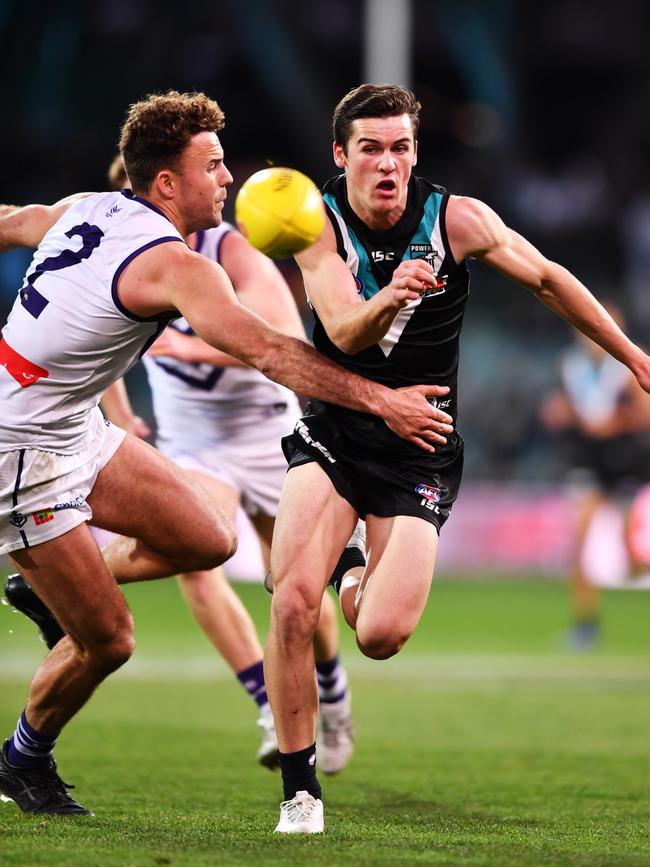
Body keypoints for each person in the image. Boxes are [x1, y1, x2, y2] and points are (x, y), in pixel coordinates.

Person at [0, 89, 454, 816]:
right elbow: (273, 351)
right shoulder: (175, 265)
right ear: (167, 183)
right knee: (112, 639)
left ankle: (45, 589)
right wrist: (381, 400)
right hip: (19, 454)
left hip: (71, 425)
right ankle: (23, 758)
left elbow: (13, 221)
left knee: (209, 537)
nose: (227, 179)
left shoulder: (89, 206)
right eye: (211, 165)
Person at [262, 83, 650, 833]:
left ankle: (352, 572)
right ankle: (300, 791)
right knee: (288, 600)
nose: (387, 163)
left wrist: (632, 354)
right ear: (340, 156)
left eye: (400, 146)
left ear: (416, 152)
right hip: (336, 436)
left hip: (421, 451)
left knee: (380, 635)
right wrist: (393, 294)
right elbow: (342, 330)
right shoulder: (316, 221)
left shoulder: (457, 219)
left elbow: (547, 279)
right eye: (369, 148)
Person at [6, 153, 361, 773]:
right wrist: (123, 411)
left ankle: (331, 690)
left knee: (297, 588)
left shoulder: (225, 253)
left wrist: (187, 338)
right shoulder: (126, 248)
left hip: (268, 432)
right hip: (188, 441)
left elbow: (277, 340)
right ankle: (262, 700)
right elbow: (90, 340)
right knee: (192, 562)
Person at [540, 301, 650, 649]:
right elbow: (560, 407)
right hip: (587, 461)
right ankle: (585, 625)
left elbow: (645, 415)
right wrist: (560, 414)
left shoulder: (632, 363)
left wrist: (614, 424)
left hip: (629, 459)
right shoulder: (569, 365)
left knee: (632, 553)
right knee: (581, 541)